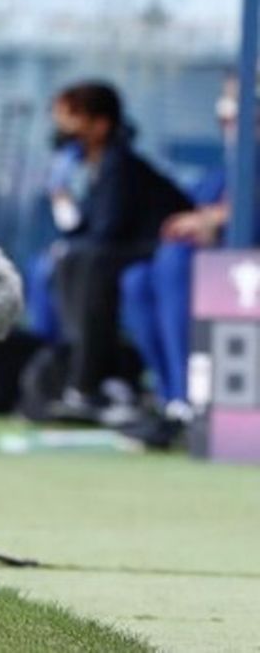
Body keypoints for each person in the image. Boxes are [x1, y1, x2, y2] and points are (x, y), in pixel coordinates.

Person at [118, 74, 255, 446]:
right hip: (218, 271)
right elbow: (190, 210)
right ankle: (173, 401)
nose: (230, 120)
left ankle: (191, 405)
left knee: (175, 263)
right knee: (137, 279)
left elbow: (227, 218)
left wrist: (219, 220)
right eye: (226, 111)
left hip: (245, 274)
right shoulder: (227, 169)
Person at [46, 81, 190, 424]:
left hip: (161, 246)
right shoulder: (92, 166)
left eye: (73, 120)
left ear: (100, 125)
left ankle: (93, 382)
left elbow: (108, 232)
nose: (65, 131)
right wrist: (63, 204)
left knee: (92, 263)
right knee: (68, 259)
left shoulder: (119, 164)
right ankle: (76, 370)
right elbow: (86, 230)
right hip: (130, 250)